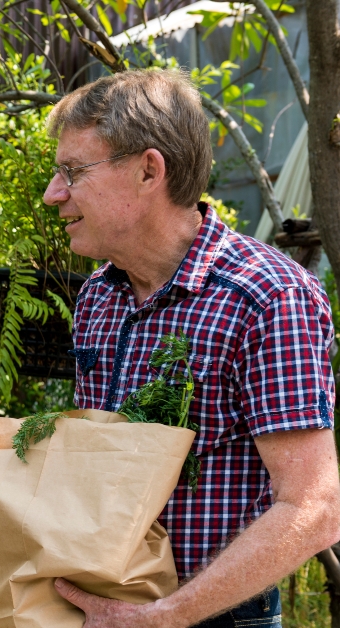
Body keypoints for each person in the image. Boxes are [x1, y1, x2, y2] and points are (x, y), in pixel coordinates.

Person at [44, 68, 340, 627]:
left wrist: (167, 616)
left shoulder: (267, 297)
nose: (52, 194)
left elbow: (314, 507)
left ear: (148, 171)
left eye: (73, 172)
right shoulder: (98, 299)